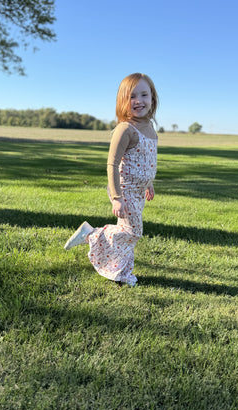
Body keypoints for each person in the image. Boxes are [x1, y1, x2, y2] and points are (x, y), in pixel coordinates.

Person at [64, 72, 159, 287]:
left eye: (144, 95)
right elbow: (112, 164)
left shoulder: (150, 127)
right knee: (132, 232)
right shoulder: (125, 129)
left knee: (128, 234)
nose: (138, 101)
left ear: (152, 98)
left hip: (138, 190)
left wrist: (148, 183)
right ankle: (92, 234)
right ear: (123, 101)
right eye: (132, 96)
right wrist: (117, 197)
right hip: (124, 189)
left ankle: (122, 272)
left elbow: (147, 159)